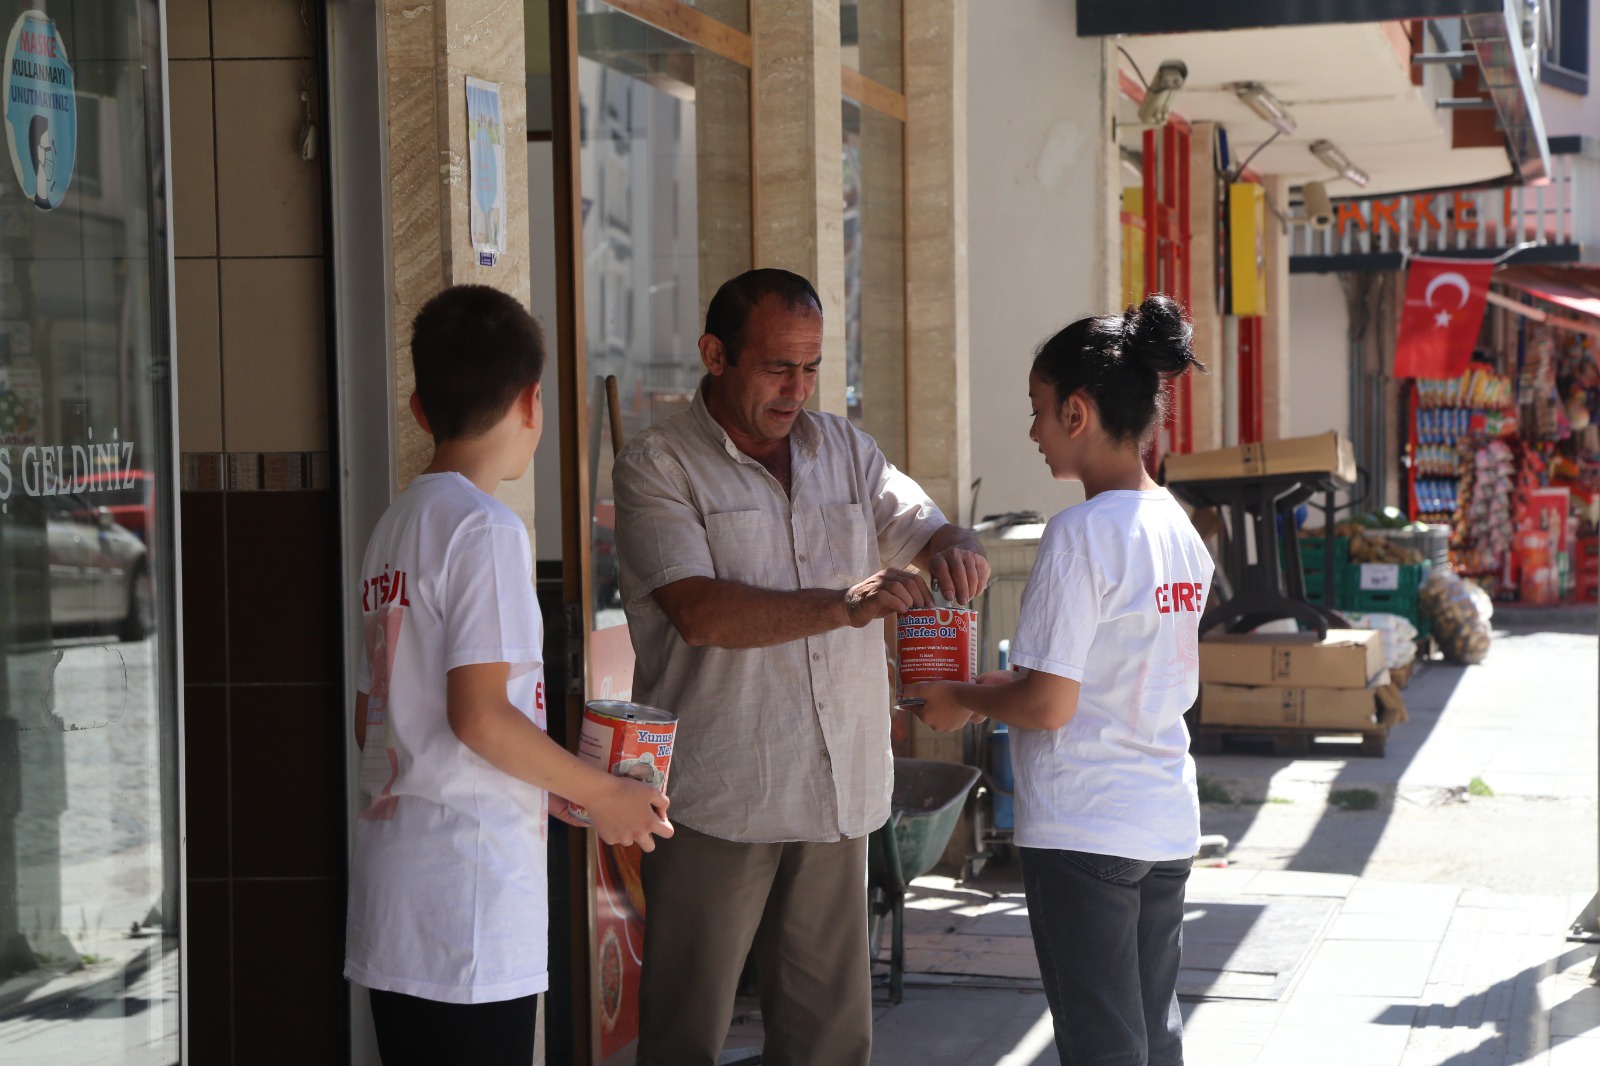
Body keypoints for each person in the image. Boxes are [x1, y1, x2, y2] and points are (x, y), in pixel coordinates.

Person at [613, 268, 992, 1066]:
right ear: (715, 355)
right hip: (722, 796)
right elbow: (700, 612)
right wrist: (844, 605)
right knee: (685, 1034)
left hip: (838, 790)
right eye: (777, 366)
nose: (797, 388)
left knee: (828, 1043)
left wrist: (955, 546)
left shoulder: (846, 449)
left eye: (812, 367)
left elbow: (923, 523)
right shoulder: (658, 464)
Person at [344, 284, 673, 1066]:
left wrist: (551, 782)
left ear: (420, 410)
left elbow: (404, 718)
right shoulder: (484, 529)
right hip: (469, 901)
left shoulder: (395, 525)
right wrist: (605, 795)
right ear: (533, 402)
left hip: (399, 893)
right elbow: (480, 718)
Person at [908, 293, 1211, 1066]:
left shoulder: (1079, 533)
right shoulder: (1177, 525)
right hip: (1163, 817)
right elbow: (1110, 675)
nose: (1033, 430)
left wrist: (960, 699)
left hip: (1086, 825)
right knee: (1150, 1034)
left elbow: (1047, 703)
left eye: (1039, 409)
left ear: (1078, 412)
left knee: (1103, 1047)